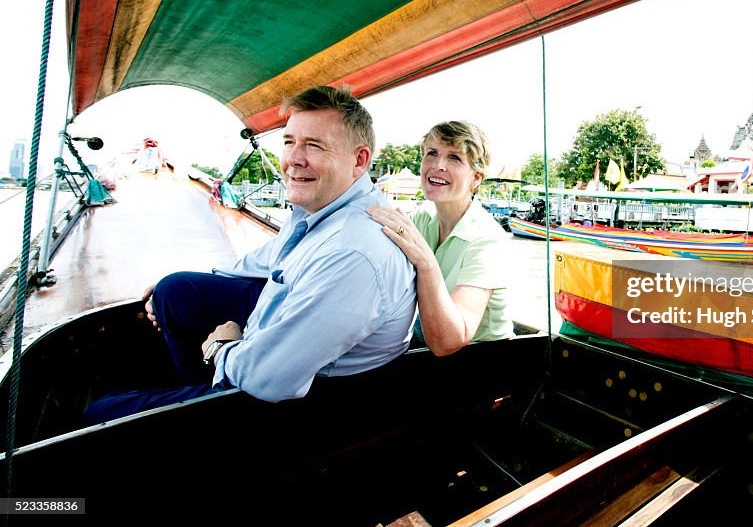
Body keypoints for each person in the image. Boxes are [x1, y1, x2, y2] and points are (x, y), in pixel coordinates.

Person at [84, 86, 417, 422]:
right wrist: (189, 285)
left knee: (97, 413)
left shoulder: (353, 252)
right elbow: (264, 260)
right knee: (175, 291)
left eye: (314, 145)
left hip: (302, 402)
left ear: (359, 160)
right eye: (289, 142)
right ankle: (198, 387)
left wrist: (220, 350)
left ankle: (209, 398)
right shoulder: (323, 210)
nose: (293, 160)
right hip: (273, 343)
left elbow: (271, 379)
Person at [369, 121, 513, 356]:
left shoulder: (487, 241)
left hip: (482, 367)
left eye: (454, 158)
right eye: (432, 153)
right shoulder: (423, 218)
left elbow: (449, 342)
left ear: (476, 178)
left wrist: (426, 263)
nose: (438, 165)